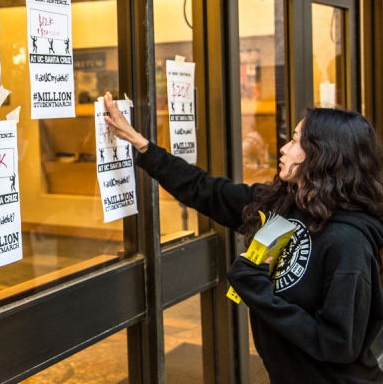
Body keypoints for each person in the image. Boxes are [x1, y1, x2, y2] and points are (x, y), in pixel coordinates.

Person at [103, 91, 383, 383]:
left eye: (295, 141)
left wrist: (257, 289)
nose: (284, 149)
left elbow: (338, 344)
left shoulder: (349, 242)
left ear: (323, 155)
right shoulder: (284, 204)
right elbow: (207, 190)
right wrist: (141, 144)